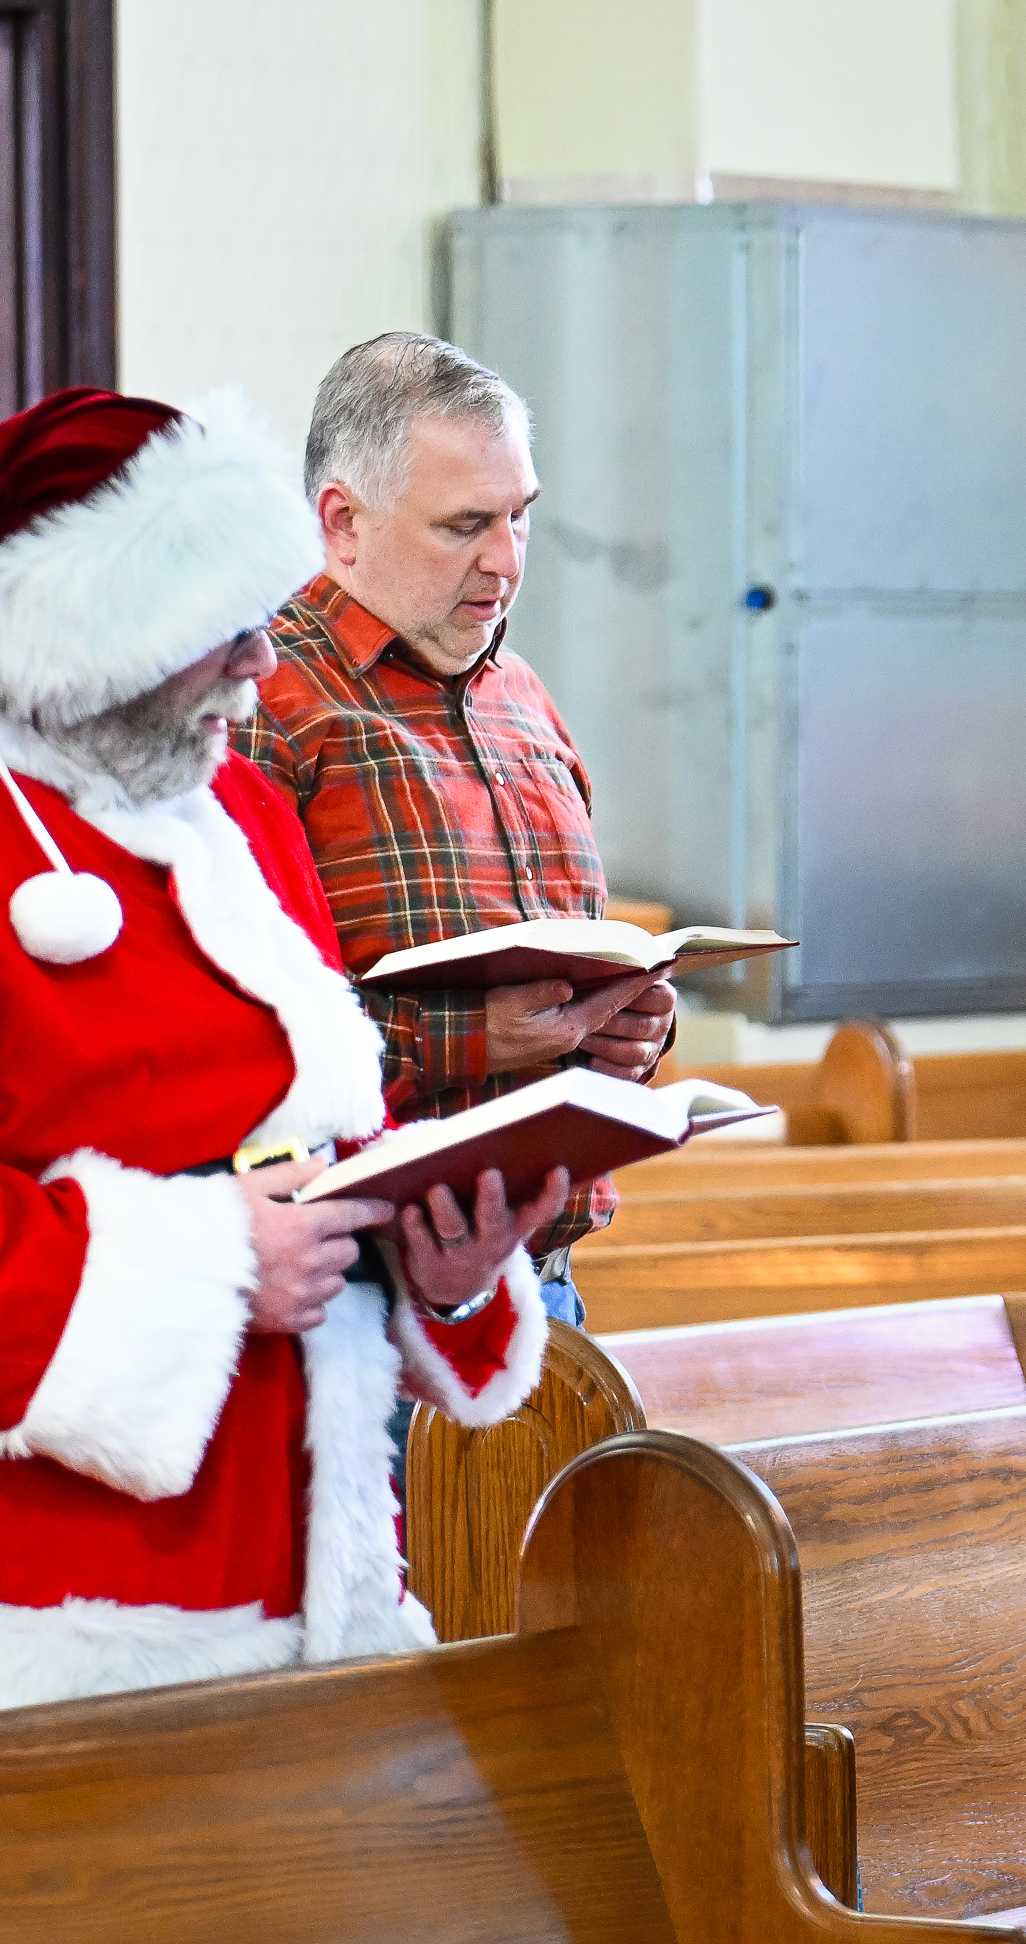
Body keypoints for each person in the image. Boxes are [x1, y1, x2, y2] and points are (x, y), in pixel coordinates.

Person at [0, 386, 561, 1746]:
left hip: (296, 1593)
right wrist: (211, 1262)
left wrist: (432, 1257)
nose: (264, 663)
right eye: (220, 632)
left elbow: (302, 1154)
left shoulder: (234, 817)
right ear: (81, 641)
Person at [238, 332, 669, 1328]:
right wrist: (474, 1036)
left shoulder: (520, 695)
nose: (506, 560)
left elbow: (579, 955)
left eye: (521, 516)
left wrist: (631, 1027)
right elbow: (222, 1033)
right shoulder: (259, 702)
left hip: (545, 1282)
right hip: (351, 1301)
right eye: (465, 524)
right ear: (342, 523)